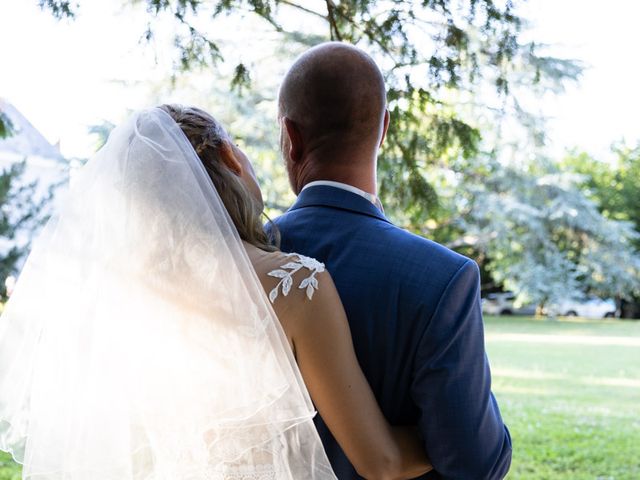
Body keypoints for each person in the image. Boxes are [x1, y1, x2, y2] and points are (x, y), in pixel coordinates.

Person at [0, 106, 431, 480]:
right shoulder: (296, 284)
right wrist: (457, 439)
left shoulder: (132, 307)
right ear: (228, 157)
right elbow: (381, 462)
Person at [272, 42, 512, 479]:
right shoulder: (443, 278)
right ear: (383, 129)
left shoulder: (235, 257)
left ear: (291, 137)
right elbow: (475, 463)